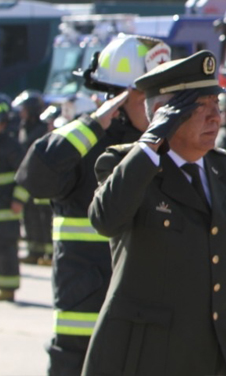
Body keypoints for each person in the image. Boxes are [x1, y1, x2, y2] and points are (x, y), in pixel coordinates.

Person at [83, 50, 226, 376]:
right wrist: (151, 141)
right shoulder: (126, 166)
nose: (214, 117)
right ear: (162, 114)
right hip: (150, 358)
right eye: (199, 107)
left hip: (222, 355)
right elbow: (105, 219)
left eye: (216, 105)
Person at [15, 35, 172, 376]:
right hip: (84, 328)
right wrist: (91, 125)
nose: (160, 104)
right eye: (148, 95)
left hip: (148, 323)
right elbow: (34, 177)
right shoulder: (84, 143)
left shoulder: (166, 148)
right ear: (118, 97)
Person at [13, 90, 52, 265]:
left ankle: (48, 254)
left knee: (44, 217)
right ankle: (34, 251)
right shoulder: (22, 127)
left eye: (24, 108)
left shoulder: (43, 129)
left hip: (41, 179)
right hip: (26, 178)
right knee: (29, 216)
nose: (21, 112)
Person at [0, 96, 24, 302]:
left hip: (7, 212)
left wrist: (19, 200)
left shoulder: (12, 147)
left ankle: (7, 290)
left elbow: (25, 178)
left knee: (7, 252)